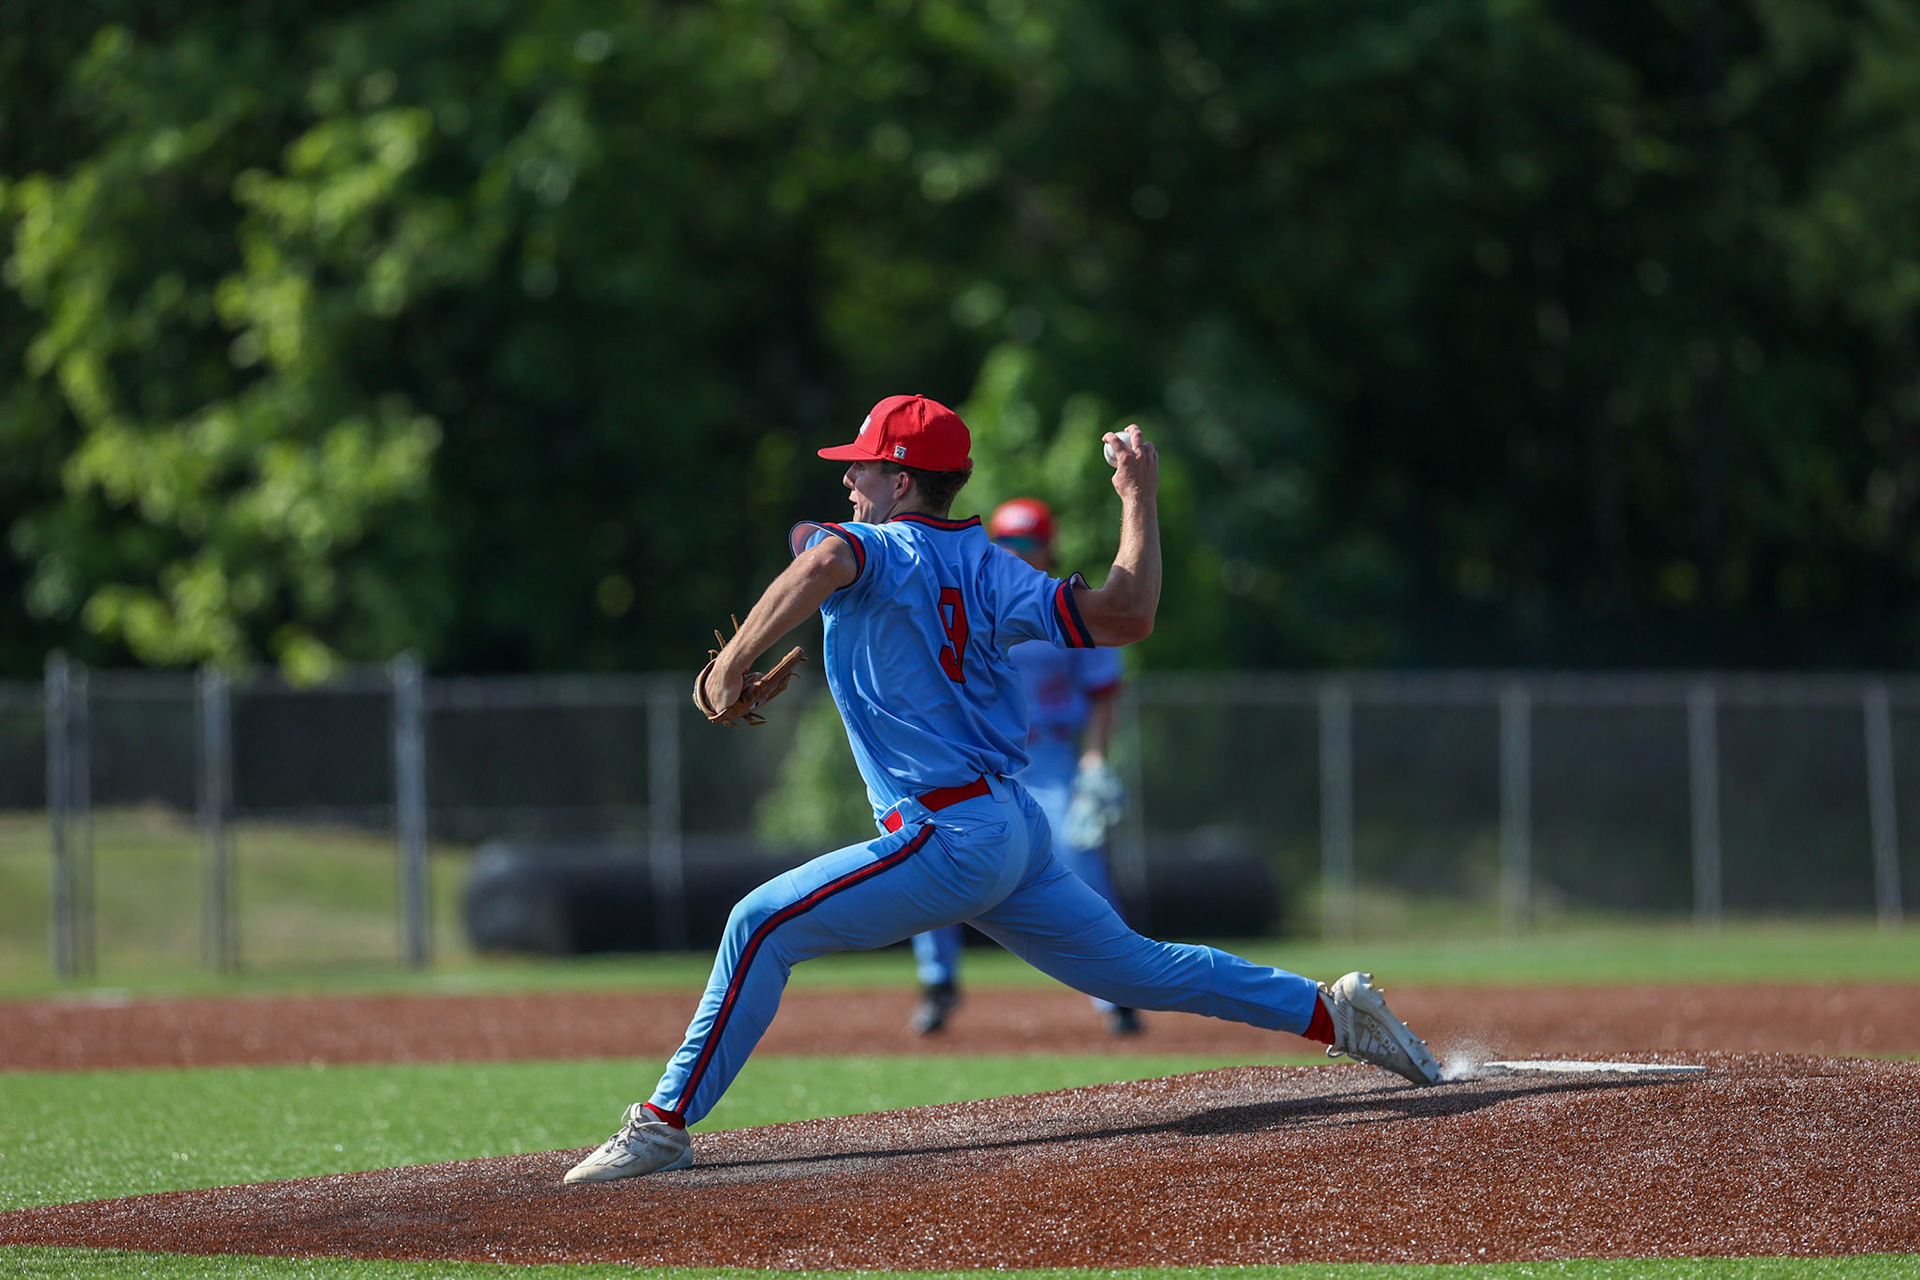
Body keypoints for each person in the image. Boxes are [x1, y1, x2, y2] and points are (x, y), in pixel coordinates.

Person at [564, 394, 1444, 1184]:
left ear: (901, 481)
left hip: (949, 837)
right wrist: (1137, 497)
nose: (848, 480)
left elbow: (825, 556)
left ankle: (663, 1126)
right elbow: (1128, 615)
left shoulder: (871, 546)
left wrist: (728, 662)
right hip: (1010, 831)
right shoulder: (994, 568)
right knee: (1141, 969)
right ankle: (1335, 1015)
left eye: (862, 465)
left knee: (759, 925)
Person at [907, 496, 1142, 1036]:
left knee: (1084, 863)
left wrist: (1094, 761)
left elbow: (1104, 691)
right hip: (981, 759)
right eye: (1007, 541)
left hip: (1050, 757)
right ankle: (938, 983)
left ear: (1049, 547)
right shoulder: (970, 600)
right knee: (929, 855)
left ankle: (1117, 989)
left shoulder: (1066, 604)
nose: (1017, 551)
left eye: (1028, 542)